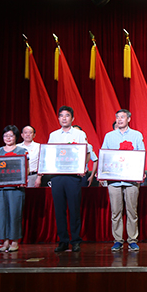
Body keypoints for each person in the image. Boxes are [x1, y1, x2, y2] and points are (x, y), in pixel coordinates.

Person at [38, 106, 88, 253]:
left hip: (73, 177)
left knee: (74, 209)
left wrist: (82, 167)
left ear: (72, 118)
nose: (64, 118)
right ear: (59, 118)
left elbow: (86, 152)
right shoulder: (54, 135)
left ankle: (76, 240)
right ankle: (63, 241)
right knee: (59, 210)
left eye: (67, 115)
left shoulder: (79, 134)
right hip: (57, 176)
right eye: (61, 116)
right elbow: (49, 154)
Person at [101, 109, 145, 252]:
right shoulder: (109, 136)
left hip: (131, 180)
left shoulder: (136, 135)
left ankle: (132, 240)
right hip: (114, 180)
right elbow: (105, 156)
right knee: (116, 212)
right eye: (117, 117)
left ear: (129, 119)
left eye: (122, 117)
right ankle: (118, 240)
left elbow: (141, 155)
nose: (119, 120)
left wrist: (140, 172)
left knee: (132, 211)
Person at [0, 125, 28, 253]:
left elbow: (26, 168)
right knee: (1, 214)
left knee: (15, 214)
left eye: (11, 136)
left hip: (15, 189)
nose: (8, 138)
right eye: (5, 136)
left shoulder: (22, 151)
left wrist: (23, 180)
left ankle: (15, 241)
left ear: (16, 137)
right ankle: (5, 241)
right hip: (0, 189)